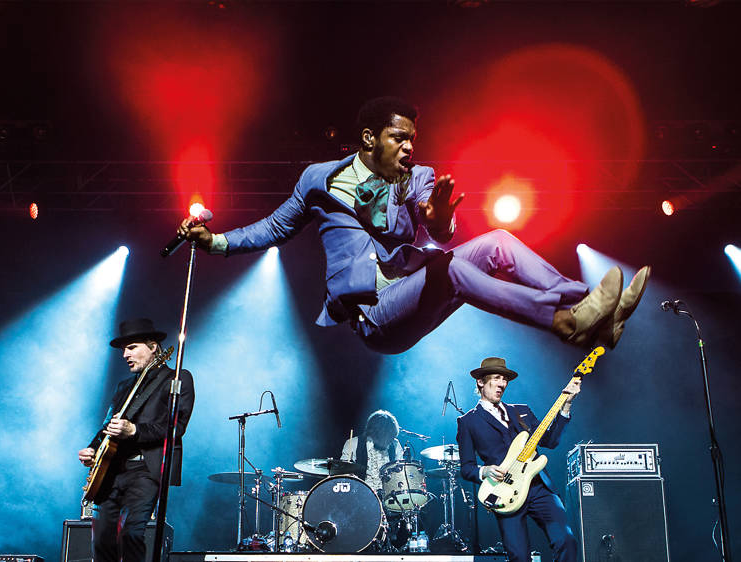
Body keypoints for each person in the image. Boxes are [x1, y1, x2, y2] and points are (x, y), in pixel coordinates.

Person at [179, 96, 650, 354]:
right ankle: (563, 322)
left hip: (411, 290)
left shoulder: (418, 177)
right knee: (451, 271)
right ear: (369, 138)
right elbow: (274, 227)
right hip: (374, 316)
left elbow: (440, 230)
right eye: (398, 138)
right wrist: (216, 241)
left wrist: (440, 218)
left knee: (499, 241)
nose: (409, 147)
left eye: (413, 139)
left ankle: (591, 311)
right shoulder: (320, 180)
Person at [78, 318, 195, 562]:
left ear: (153, 347)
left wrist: (134, 431)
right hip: (111, 470)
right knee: (100, 538)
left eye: (132, 347)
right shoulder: (124, 386)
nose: (125, 355)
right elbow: (107, 426)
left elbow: (176, 428)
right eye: (123, 349)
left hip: (145, 470)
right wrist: (92, 449)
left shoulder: (177, 378)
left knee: (131, 532)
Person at [456, 357, 579, 562]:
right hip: (505, 490)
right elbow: (466, 468)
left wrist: (566, 407)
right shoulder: (468, 421)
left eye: (504, 379)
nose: (502, 384)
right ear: (480, 382)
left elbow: (550, 441)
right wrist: (485, 471)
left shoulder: (521, 411)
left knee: (566, 540)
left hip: (539, 487)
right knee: (519, 557)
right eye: (496, 378)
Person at [341, 409, 404, 492]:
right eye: (387, 437)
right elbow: (342, 471)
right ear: (376, 433)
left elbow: (401, 471)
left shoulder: (395, 444)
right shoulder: (353, 443)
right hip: (360, 493)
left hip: (389, 495)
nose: (390, 440)